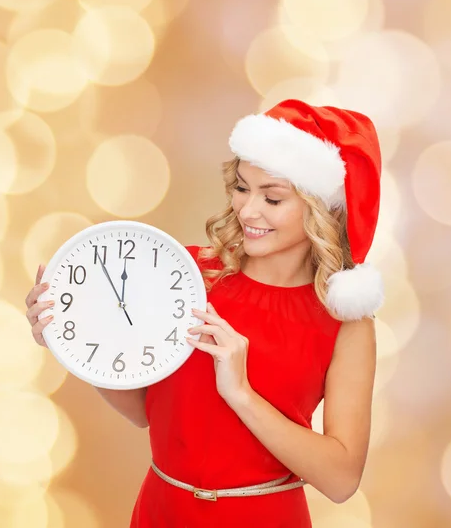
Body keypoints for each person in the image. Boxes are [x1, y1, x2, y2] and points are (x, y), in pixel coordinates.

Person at [25, 99, 384, 527]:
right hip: (163, 511)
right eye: (242, 187)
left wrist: (242, 395)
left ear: (323, 208)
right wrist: (69, 339)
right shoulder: (186, 272)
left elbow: (341, 479)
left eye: (272, 198)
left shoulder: (345, 320)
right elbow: (143, 410)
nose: (247, 211)